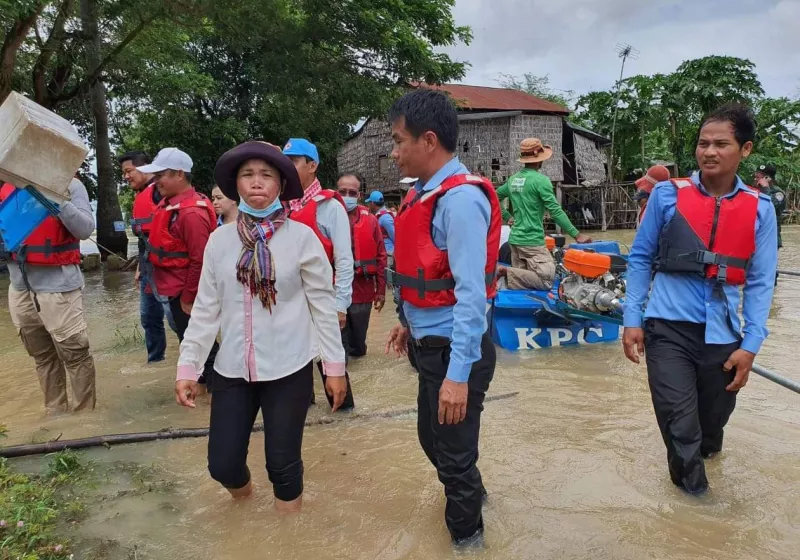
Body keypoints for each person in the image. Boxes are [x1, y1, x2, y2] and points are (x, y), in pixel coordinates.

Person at [175, 141, 347, 509]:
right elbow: (206, 309)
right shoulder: (219, 242)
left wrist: (334, 369)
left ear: (281, 185)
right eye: (247, 175)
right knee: (222, 465)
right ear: (235, 184)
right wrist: (188, 367)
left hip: (289, 367)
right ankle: (245, 506)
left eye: (266, 175)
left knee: (283, 467)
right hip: (233, 369)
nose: (256, 182)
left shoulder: (302, 239)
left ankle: (288, 539)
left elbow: (322, 307)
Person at [622, 103, 777, 495]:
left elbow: (760, 282)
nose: (708, 151)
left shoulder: (761, 209)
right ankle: (699, 512)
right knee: (680, 426)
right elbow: (640, 257)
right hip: (667, 330)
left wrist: (751, 345)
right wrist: (632, 318)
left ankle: (707, 472)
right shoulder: (666, 196)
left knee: (711, 430)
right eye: (703, 143)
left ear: (744, 150)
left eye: (721, 143)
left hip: (723, 336)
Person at [384, 89, 501, 546]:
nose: (393, 153)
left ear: (428, 140)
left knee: (452, 458)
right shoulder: (422, 194)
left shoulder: (460, 201)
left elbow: (472, 297)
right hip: (430, 345)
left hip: (457, 352)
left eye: (398, 141)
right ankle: (476, 497)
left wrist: (458, 377)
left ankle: (468, 543)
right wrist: (407, 321)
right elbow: (428, 277)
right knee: (434, 443)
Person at [1, 178, 96, 413]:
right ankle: (56, 415)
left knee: (75, 355)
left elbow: (84, 229)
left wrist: (55, 195)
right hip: (20, 288)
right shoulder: (7, 186)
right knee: (42, 357)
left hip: (59, 288)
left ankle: (84, 418)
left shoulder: (70, 185)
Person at [283, 138, 355, 409]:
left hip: (322, 300)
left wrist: (340, 305)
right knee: (296, 372)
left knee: (332, 367)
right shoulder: (281, 207)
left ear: (312, 166)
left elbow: (344, 260)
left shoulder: (330, 207)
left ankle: (346, 422)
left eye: (294, 162)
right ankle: (308, 420)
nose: (287, 168)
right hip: (291, 303)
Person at [137, 148, 218, 387]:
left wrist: (189, 297)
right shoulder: (172, 206)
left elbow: (200, 260)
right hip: (175, 290)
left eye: (161, 174)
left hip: (186, 293)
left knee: (204, 348)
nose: (156, 180)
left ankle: (218, 396)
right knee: (192, 343)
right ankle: (203, 393)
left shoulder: (191, 213)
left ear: (180, 175)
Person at [495, 138, 591, 291]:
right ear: (539, 160)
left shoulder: (514, 180)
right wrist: (577, 235)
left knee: (524, 282)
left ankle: (516, 290)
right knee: (547, 280)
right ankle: (505, 271)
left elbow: (494, 197)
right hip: (532, 241)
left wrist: (508, 217)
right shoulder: (541, 181)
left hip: (515, 240)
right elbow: (555, 210)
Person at [119, 151, 167, 363]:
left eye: (128, 171)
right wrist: (140, 266)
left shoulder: (160, 190)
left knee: (178, 318)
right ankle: (156, 361)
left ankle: (200, 368)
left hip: (166, 267)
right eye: (124, 173)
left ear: (144, 168)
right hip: (148, 267)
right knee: (148, 317)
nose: (126, 176)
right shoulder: (141, 195)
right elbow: (143, 239)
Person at [337, 174, 387, 358]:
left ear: (359, 195)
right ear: (336, 192)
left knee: (358, 346)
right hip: (333, 290)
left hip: (362, 289)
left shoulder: (371, 220)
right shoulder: (325, 217)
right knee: (338, 347)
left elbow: (381, 257)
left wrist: (381, 290)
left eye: (351, 192)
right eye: (342, 192)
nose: (346, 196)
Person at [754, 164, 786, 250]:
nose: (755, 179)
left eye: (758, 177)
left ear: (768, 178)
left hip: (770, 236)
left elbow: (769, 206)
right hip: (755, 235)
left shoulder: (778, 193)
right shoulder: (755, 191)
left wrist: (765, 188)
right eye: (755, 176)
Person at [364, 190, 395, 259]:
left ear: (372, 203)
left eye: (369, 203)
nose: (368, 205)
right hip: (383, 252)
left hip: (388, 253)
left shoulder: (385, 217)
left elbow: (394, 236)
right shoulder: (379, 216)